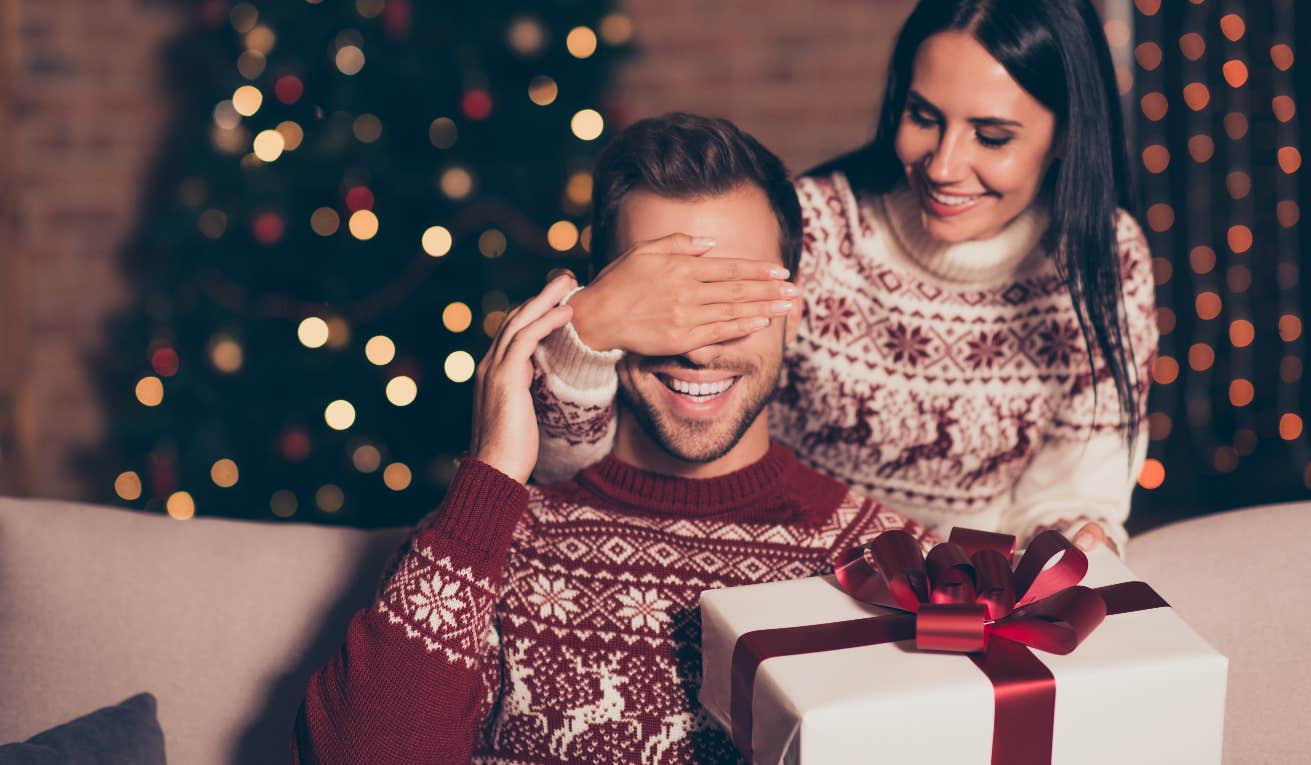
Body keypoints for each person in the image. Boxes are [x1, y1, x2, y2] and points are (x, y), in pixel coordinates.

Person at [292, 114, 934, 764]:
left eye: (731, 299)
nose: (696, 344)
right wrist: (491, 475)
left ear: (794, 311)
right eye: (662, 301)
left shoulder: (887, 565)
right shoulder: (487, 537)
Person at [529, 0, 1157, 555]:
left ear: (1069, 135)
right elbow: (586, 460)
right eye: (924, 117)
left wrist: (1065, 548)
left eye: (991, 137)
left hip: (978, 595)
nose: (944, 164)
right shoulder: (819, 229)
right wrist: (586, 337)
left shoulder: (1107, 261)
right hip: (800, 572)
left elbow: (1075, 489)